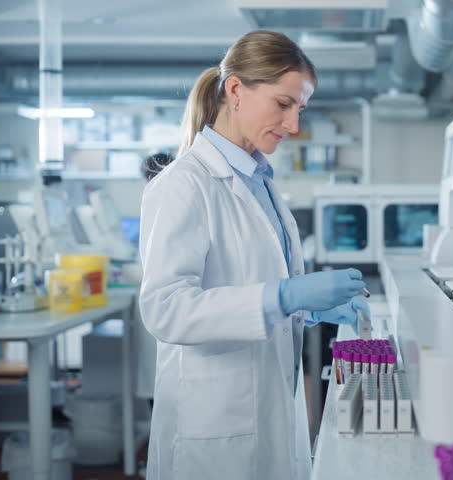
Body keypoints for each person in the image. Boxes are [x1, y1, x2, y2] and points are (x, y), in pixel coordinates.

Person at [138, 30, 369, 480]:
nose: (294, 125)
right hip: (216, 419)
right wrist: (284, 295)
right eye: (283, 104)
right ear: (236, 90)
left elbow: (248, 284)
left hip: (268, 405)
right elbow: (165, 309)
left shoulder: (259, 180)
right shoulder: (184, 184)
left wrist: (303, 308)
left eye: (300, 109)